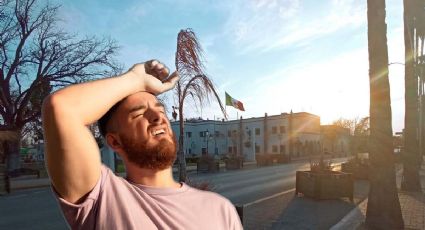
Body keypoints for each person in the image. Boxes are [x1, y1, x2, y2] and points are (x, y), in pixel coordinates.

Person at [42, 60, 243, 230]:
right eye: (139, 114)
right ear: (114, 141)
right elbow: (61, 108)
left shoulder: (221, 209)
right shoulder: (103, 197)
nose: (157, 117)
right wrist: (135, 80)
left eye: (160, 110)